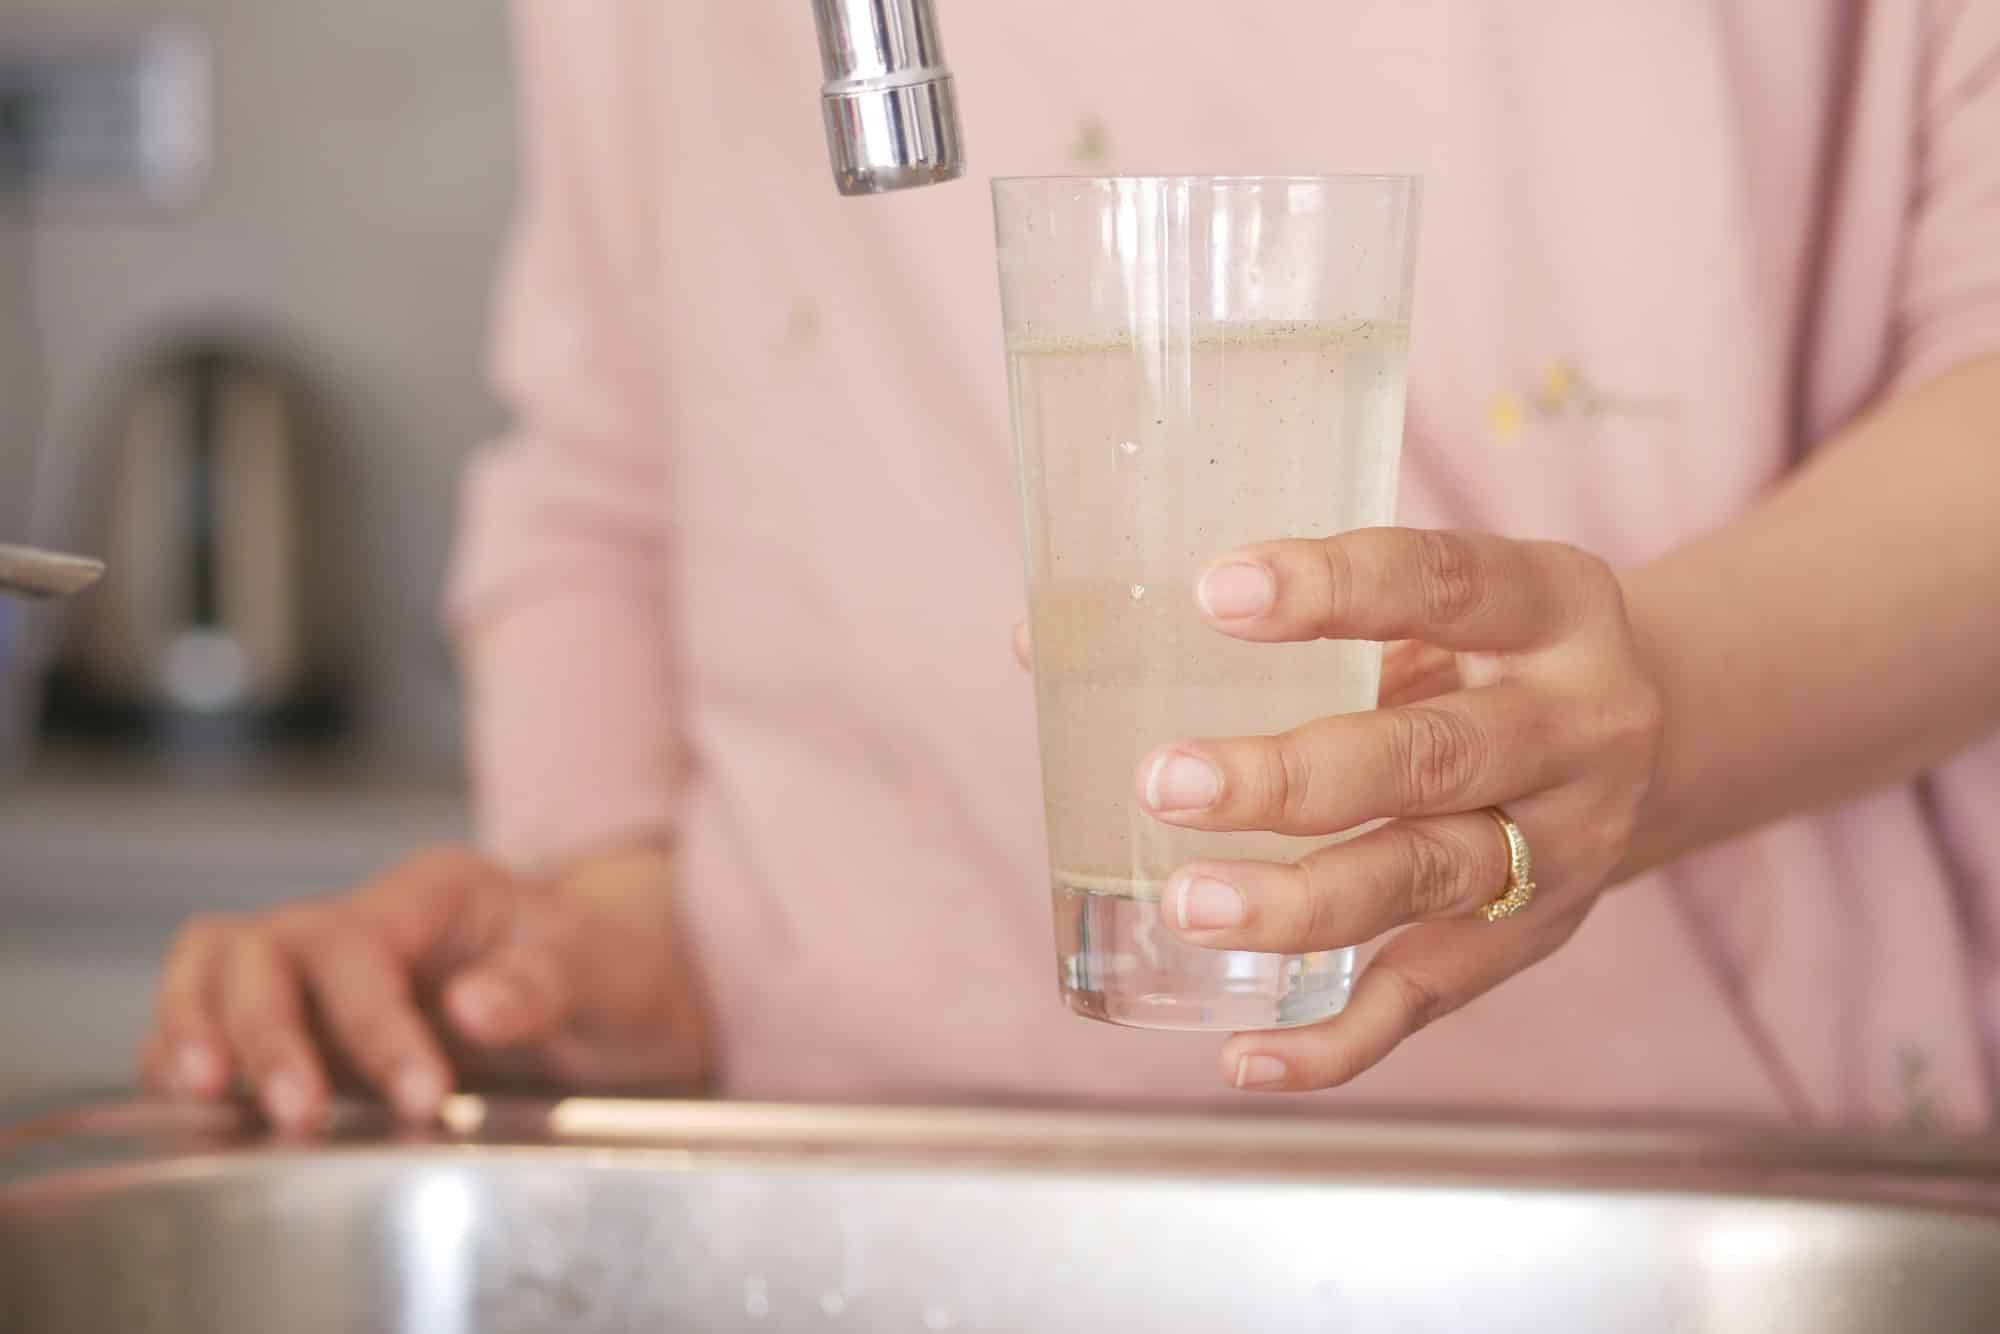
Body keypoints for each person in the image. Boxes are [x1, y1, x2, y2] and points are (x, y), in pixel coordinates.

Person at [141, 2, 2000, 1133]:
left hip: (1683, 1152)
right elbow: (617, 450)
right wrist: (619, 916)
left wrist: (1656, 711)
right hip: (847, 1173)